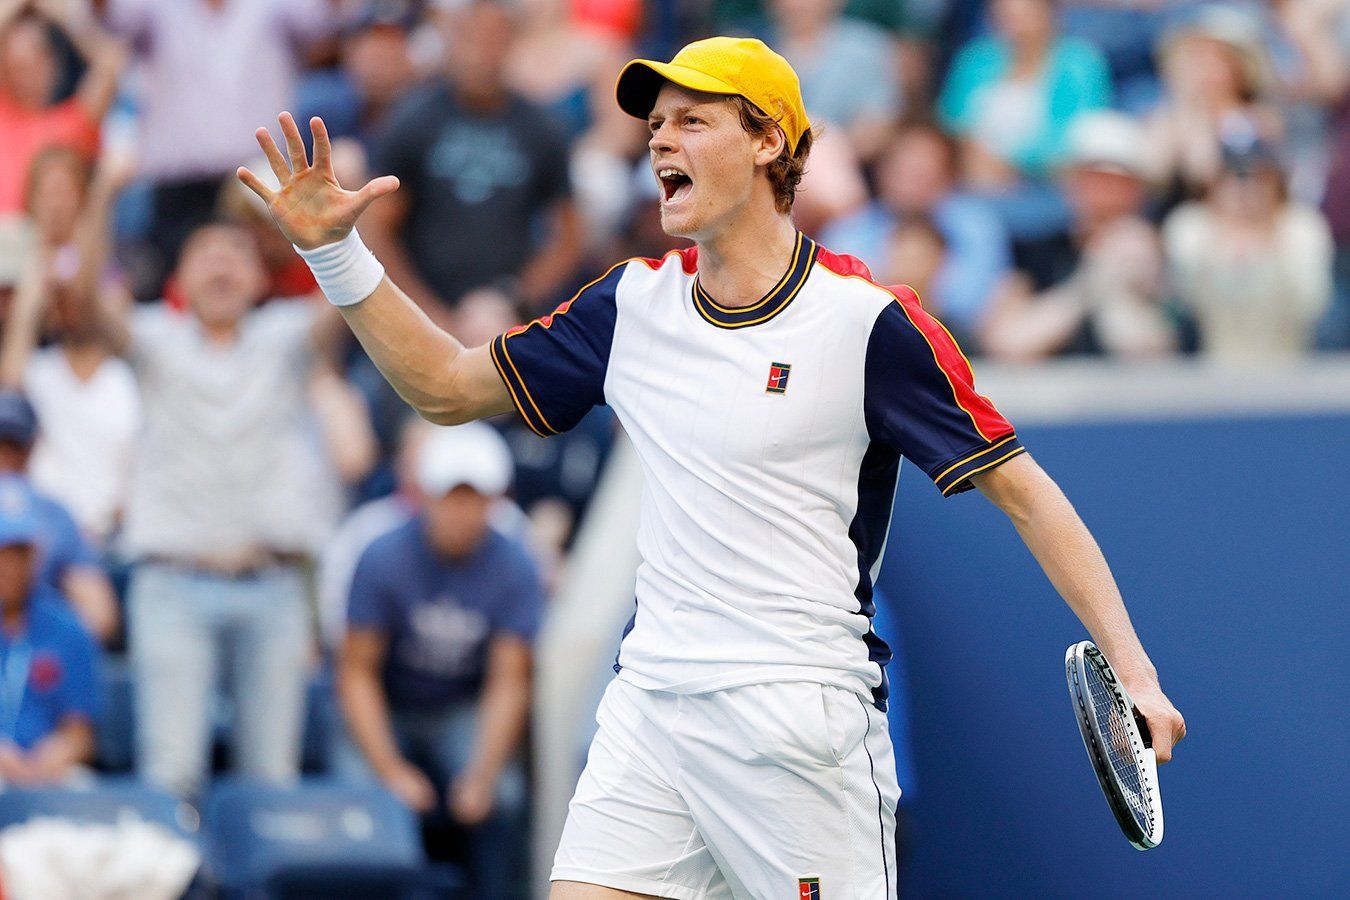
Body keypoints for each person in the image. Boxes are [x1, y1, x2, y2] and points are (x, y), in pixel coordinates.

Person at [240, 35, 1186, 898]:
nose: (660, 143)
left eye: (692, 121)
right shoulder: (630, 307)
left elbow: (1025, 493)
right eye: (654, 125)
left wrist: (1135, 671)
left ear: (770, 142)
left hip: (800, 726)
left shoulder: (873, 325)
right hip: (652, 707)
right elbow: (446, 386)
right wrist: (337, 255)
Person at [85, 218, 347, 798]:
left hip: (273, 583)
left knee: (271, 781)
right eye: (206, 253)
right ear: (180, 278)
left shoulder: (285, 336)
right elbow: (88, 302)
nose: (223, 265)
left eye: (236, 254)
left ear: (260, 278)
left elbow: (349, 297)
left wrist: (344, 223)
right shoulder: (155, 336)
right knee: (171, 776)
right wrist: (102, 196)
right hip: (173, 583)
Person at [336, 422, 543, 898]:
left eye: (475, 498)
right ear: (425, 495)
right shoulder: (382, 556)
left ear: (495, 502)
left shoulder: (515, 565)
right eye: (452, 496)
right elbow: (356, 674)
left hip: (458, 706)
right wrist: (390, 769)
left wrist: (482, 775)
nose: (462, 512)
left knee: (503, 796)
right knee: (362, 798)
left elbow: (509, 681)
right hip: (386, 703)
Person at [362, 0, 584, 318]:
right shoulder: (413, 119)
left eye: (494, 39)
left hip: (502, 311)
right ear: (452, 40)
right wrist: (429, 315)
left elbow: (569, 237)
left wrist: (517, 299)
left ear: (512, 43)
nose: (482, 53)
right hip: (419, 307)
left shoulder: (541, 127)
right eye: (472, 38)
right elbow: (377, 231)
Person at [981, 111, 1177, 361]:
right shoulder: (1037, 249)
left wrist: (1129, 287)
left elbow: (1152, 354)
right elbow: (1006, 343)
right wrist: (1092, 281)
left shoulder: (1164, 253)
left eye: (1118, 185)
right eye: (1094, 181)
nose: (1104, 197)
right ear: (1071, 185)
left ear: (1138, 193)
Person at [1163, 133, 1333, 361]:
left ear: (1276, 180)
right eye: (1233, 175)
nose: (1245, 187)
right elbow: (1183, 303)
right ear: (1214, 181)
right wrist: (1218, 244)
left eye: (1258, 176)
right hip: (1208, 371)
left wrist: (1270, 243)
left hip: (1288, 368)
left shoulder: (1301, 226)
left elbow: (1312, 305)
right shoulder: (1190, 225)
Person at [0, 475, 100, 789]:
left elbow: (80, 731)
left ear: (36, 554)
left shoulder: (67, 627)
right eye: (2, 552)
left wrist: (60, 751)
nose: (9, 566)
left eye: (19, 553)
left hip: (45, 774)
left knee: (81, 789)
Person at [0, 390, 118, 644]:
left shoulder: (54, 515)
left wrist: (43, 635)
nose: (4, 455)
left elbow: (100, 615)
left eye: (13, 445)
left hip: (31, 653)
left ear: (30, 447)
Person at [0, 0, 123, 218]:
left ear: (52, 64)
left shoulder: (72, 123)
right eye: (12, 68)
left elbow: (111, 61)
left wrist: (59, 12)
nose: (21, 78)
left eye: (30, 66)